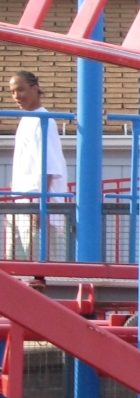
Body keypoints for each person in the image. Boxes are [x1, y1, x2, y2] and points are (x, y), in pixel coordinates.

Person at [6, 71, 68, 259]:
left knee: (39, 272)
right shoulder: (27, 119)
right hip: (21, 207)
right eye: (12, 91)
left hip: (37, 210)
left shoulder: (43, 121)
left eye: (21, 89)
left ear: (35, 88)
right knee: (16, 270)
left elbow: (48, 166)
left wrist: (41, 206)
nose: (17, 96)